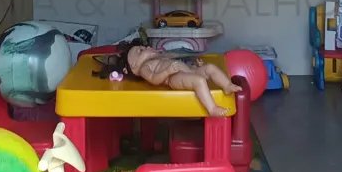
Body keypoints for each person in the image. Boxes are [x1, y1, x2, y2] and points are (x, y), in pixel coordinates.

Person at [92, 33, 235, 116]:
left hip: (185, 70)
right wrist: (168, 71)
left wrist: (194, 66)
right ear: (134, 66)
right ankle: (212, 108)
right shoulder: (144, 68)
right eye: (141, 51)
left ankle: (227, 85)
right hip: (173, 78)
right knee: (199, 81)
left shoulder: (158, 58)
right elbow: (154, 79)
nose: (146, 48)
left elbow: (180, 63)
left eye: (143, 47)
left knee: (210, 67)